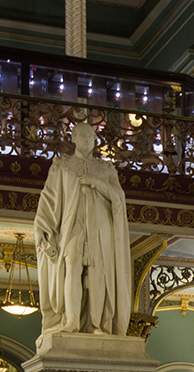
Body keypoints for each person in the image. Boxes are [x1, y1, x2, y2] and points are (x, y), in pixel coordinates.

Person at [34, 122, 132, 336]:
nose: (88, 141)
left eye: (91, 138)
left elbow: (119, 198)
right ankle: (71, 321)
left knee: (98, 271)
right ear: (74, 138)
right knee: (72, 266)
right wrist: (44, 231)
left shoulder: (106, 169)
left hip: (100, 228)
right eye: (83, 137)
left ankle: (97, 325)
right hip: (72, 225)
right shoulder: (62, 166)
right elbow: (48, 199)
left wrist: (95, 183)